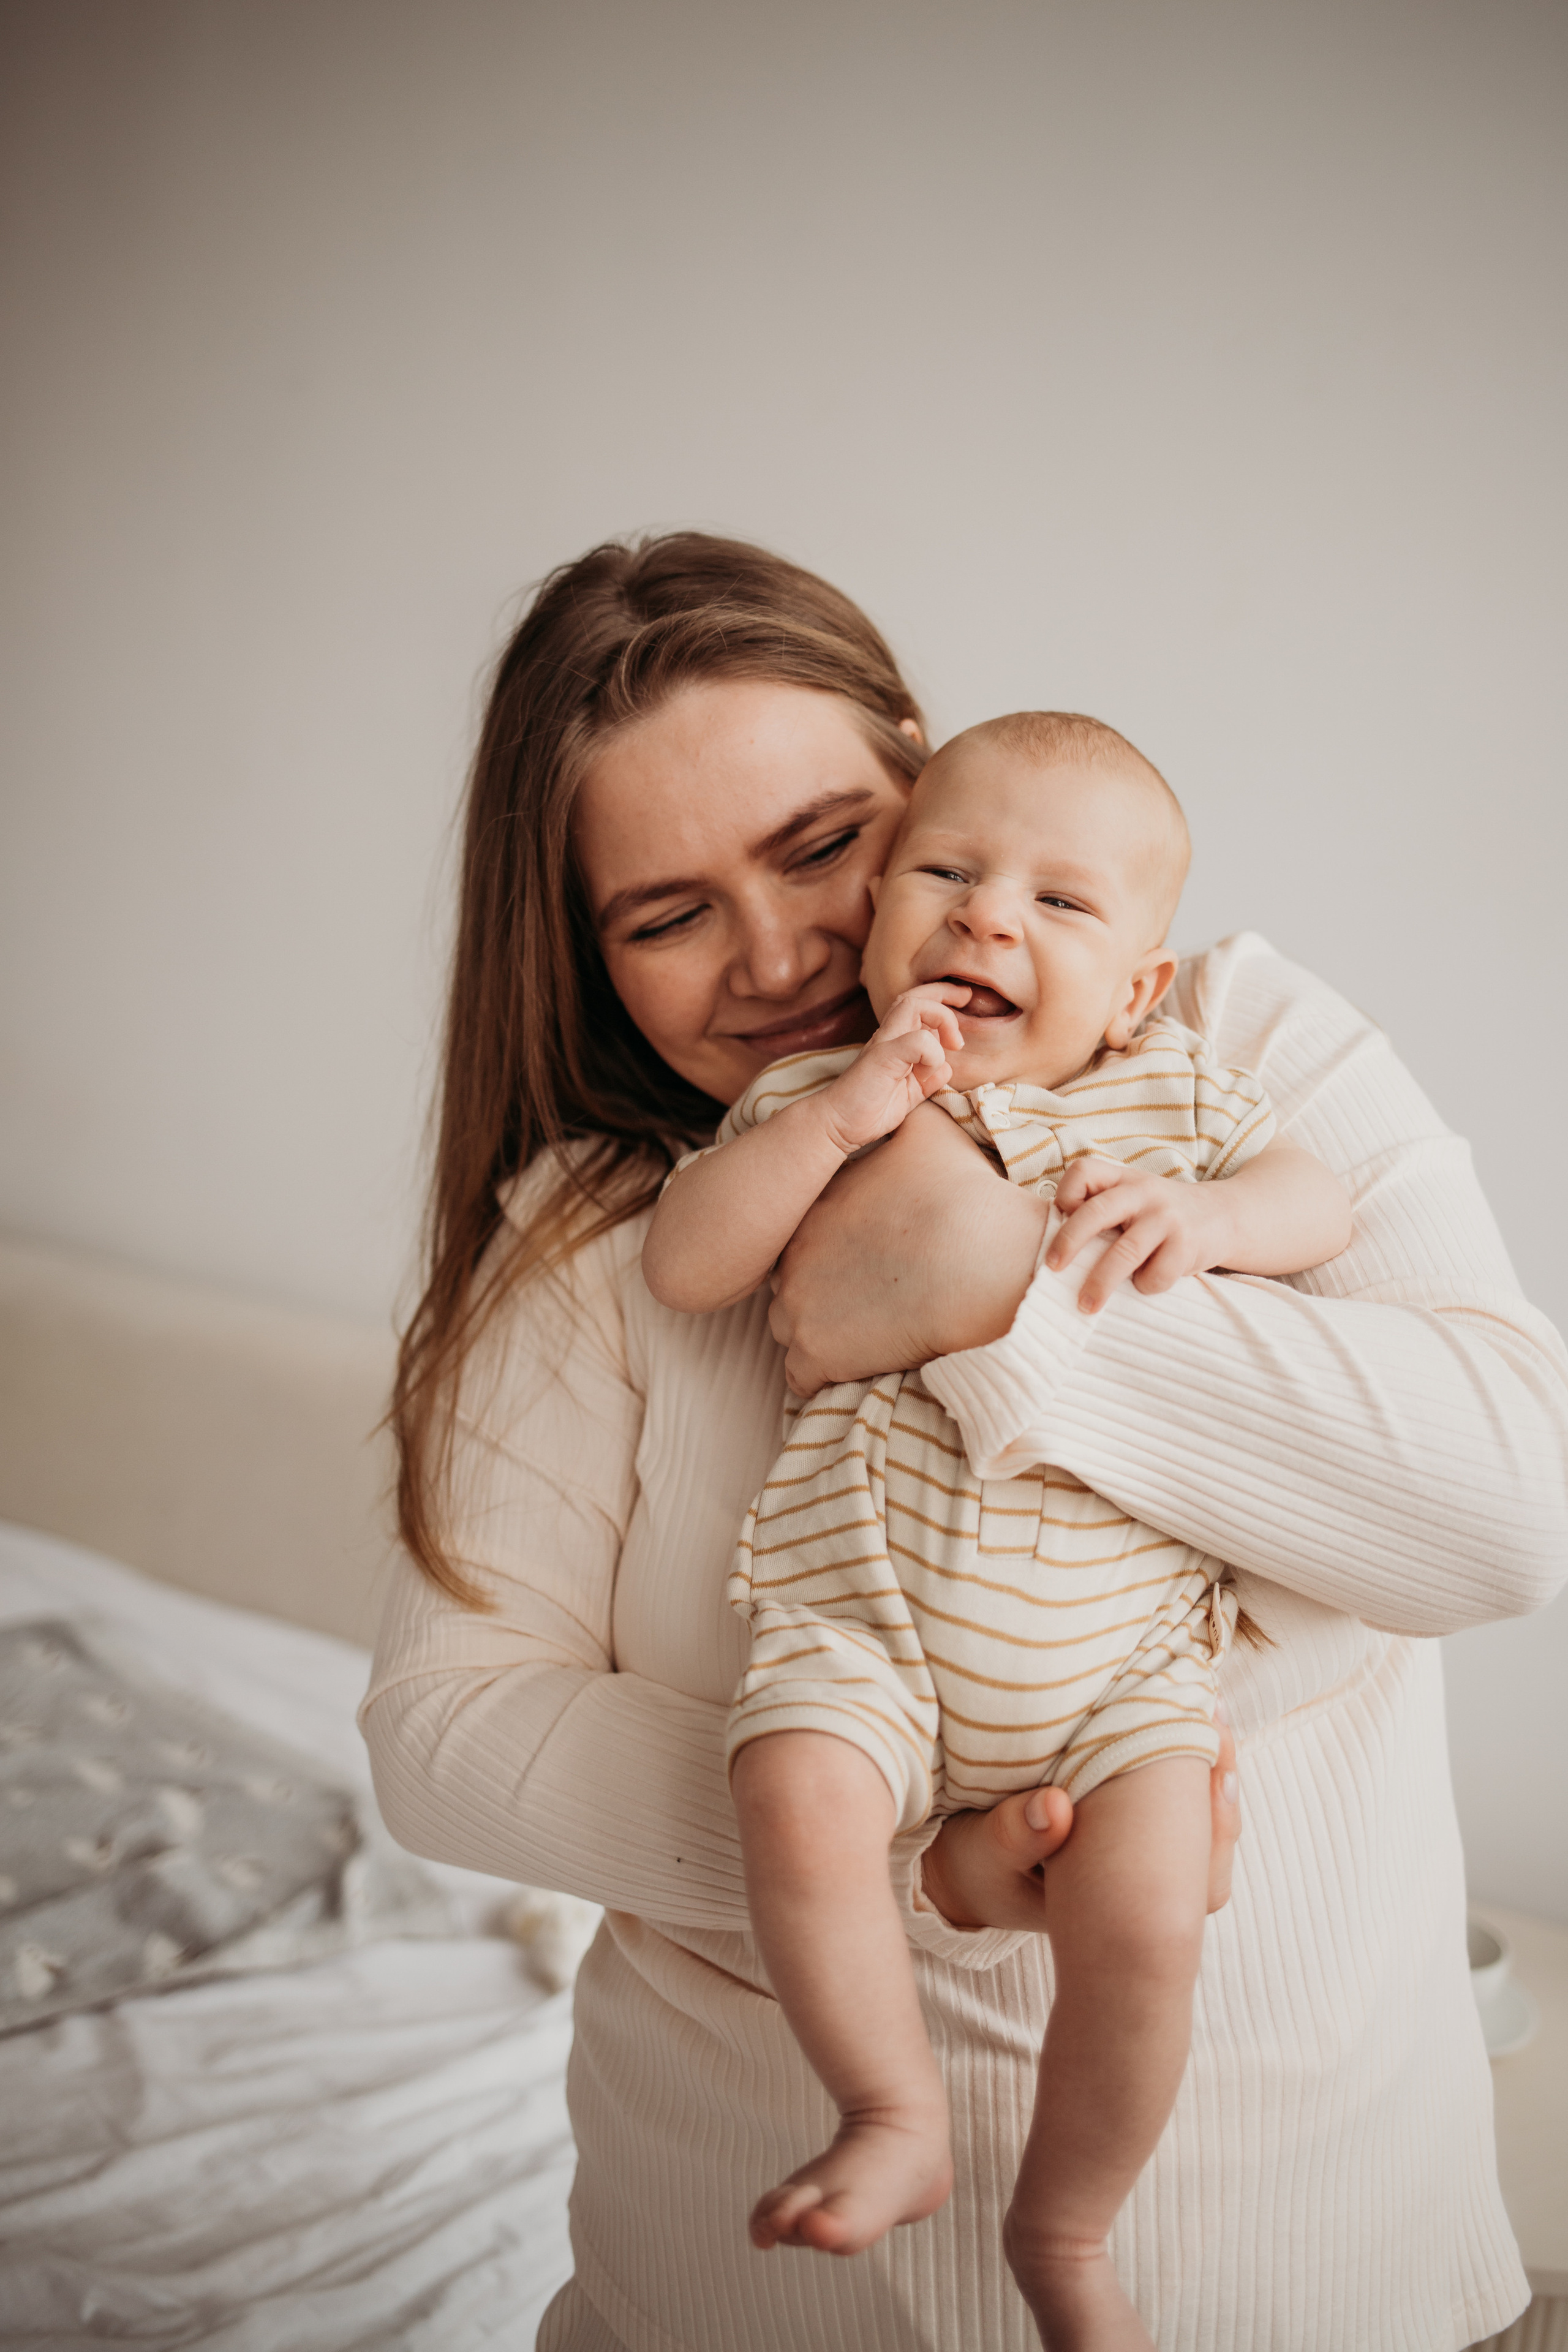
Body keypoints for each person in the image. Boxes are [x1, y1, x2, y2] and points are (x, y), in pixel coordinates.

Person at [359, 531, 1562, 2352]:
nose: (779, 956)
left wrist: (1004, 1290)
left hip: (1312, 2276)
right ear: (588, 959)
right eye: (666, 916)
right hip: (734, 2287)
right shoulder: (604, 1230)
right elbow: (448, 1735)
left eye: (823, 845)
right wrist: (919, 1859)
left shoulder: (1227, 1052)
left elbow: (1505, 1519)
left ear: (927, 773)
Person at [640, 709, 1352, 2348]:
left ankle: (1071, 2223)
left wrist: (1220, 1219)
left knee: (1154, 1916)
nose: (986, 921)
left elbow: (1323, 1206)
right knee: (795, 1795)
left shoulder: (1183, 1094)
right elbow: (691, 1264)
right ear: (882, 916)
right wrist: (834, 1118)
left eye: (1059, 902)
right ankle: (891, 2113)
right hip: (862, 1627)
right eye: (946, 877)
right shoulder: (824, 1094)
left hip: (1119, 1679)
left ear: (1140, 988)